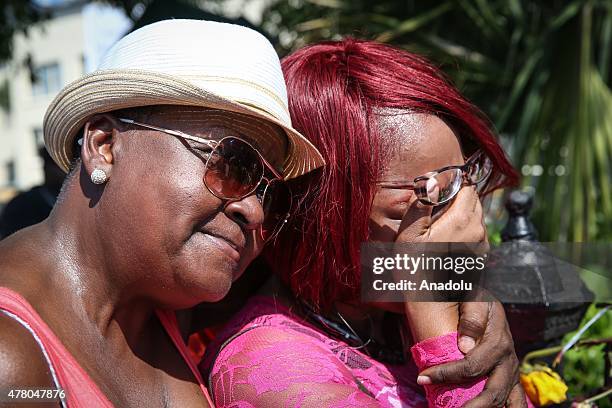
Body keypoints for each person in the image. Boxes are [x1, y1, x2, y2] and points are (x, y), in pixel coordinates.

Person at [0, 20, 324, 407]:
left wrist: (416, 269)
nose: (254, 210)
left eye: (271, 192)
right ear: (104, 145)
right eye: (233, 163)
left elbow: (358, 270)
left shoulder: (167, 300)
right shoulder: (11, 361)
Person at [202, 39, 530, 407]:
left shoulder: (395, 317)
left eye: (463, 181)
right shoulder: (270, 367)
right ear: (323, 213)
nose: (468, 222)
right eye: (428, 200)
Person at [0, 147, 65, 239]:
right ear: (46, 167)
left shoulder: (75, 203)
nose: (66, 172)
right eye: (60, 166)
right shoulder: (20, 206)